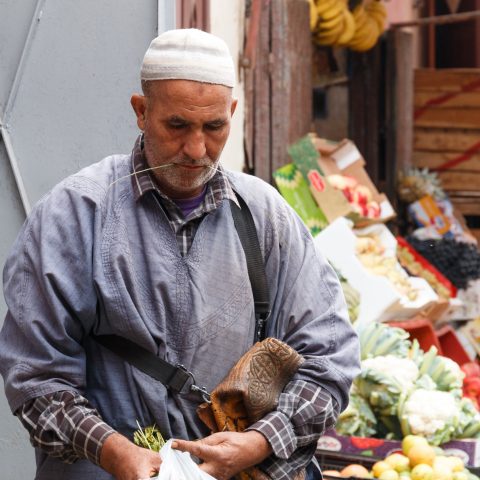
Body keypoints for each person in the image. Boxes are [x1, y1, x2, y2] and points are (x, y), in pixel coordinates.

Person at [0, 28, 360, 480]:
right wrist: (112, 451)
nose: (196, 149)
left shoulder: (265, 217)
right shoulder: (75, 214)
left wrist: (260, 441)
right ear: (141, 111)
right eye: (177, 126)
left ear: (232, 113)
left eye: (214, 128)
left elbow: (330, 357)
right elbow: (35, 377)